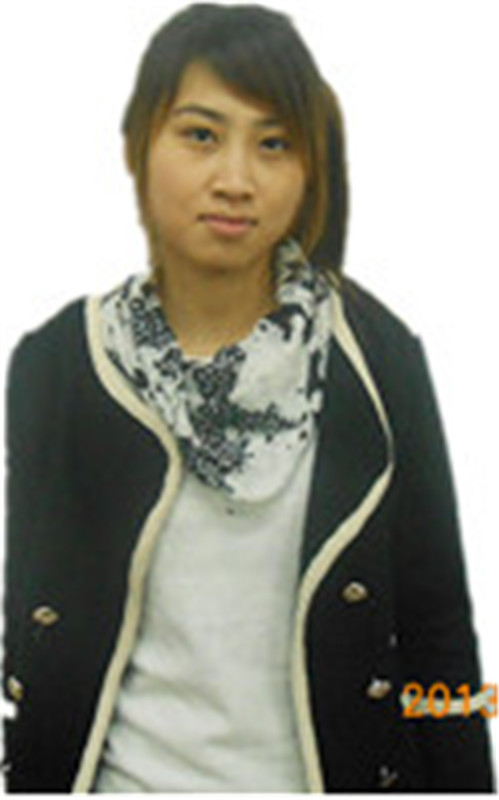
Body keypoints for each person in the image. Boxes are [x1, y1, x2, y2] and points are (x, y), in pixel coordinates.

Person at [2, 2, 495, 793]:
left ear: (309, 168)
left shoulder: (376, 356)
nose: (234, 180)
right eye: (200, 134)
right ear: (137, 145)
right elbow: (29, 625)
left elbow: (438, 633)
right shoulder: (61, 362)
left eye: (273, 144)